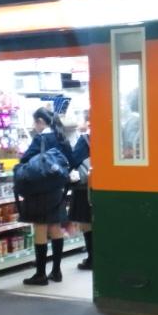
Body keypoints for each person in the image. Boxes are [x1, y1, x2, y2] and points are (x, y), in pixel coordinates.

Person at [17, 107, 72, 286]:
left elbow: (25, 161)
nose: (34, 126)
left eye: (35, 122)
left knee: (40, 227)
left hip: (40, 190)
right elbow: (70, 160)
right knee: (55, 227)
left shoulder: (40, 139)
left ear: (41, 121)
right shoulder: (61, 138)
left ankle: (40, 274)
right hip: (57, 190)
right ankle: (56, 271)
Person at [68, 111, 93, 270]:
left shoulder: (84, 139)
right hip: (103, 187)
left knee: (86, 223)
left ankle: (92, 257)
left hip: (85, 187)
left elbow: (74, 160)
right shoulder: (110, 136)